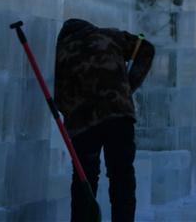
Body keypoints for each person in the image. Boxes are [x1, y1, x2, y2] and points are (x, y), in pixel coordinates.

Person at [54, 18, 155, 222]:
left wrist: (70, 110)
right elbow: (146, 48)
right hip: (119, 116)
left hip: (84, 124)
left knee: (84, 180)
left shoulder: (64, 51)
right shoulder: (110, 35)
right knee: (122, 176)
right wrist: (128, 86)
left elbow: (60, 97)